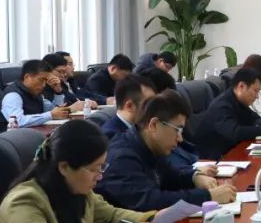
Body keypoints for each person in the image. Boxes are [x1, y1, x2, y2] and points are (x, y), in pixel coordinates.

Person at [0, 121, 155, 223]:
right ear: (64, 167)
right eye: (94, 169)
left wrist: (154, 219)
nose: (100, 176)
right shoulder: (23, 201)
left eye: (102, 167)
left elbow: (111, 216)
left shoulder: (77, 187)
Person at [97, 90, 237, 211]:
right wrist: (208, 197)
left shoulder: (148, 146)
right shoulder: (122, 157)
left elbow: (169, 177)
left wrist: (194, 177)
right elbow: (151, 201)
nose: (180, 139)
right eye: (177, 130)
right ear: (153, 125)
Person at [195, 68, 261, 160]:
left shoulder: (238, 101)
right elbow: (236, 133)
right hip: (215, 159)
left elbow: (256, 119)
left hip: (232, 151)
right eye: (255, 91)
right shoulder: (222, 106)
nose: (257, 96)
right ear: (241, 86)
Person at [1, 59, 73, 128]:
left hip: (33, 132)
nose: (44, 85)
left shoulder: (35, 92)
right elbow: (17, 122)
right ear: (27, 77)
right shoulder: (12, 95)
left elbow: (52, 110)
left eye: (46, 80)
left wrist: (58, 92)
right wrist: (50, 115)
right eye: (41, 80)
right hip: (12, 136)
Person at [101, 74, 157, 140]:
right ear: (129, 106)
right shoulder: (112, 136)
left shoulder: (140, 127)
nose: (155, 108)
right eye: (149, 103)